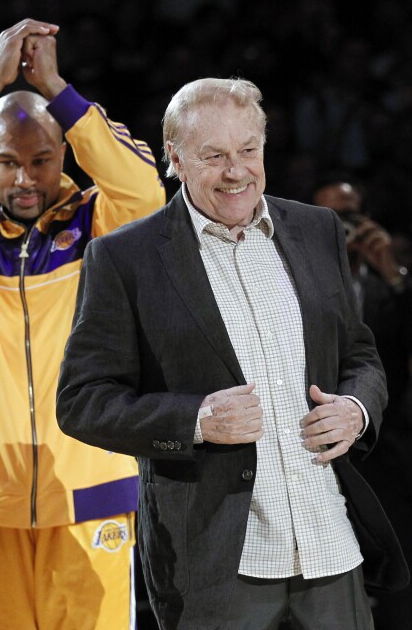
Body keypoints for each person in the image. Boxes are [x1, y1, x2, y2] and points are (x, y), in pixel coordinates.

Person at [56, 77, 409, 629]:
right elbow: (82, 401)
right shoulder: (126, 258)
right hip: (214, 562)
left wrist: (356, 411)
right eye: (214, 155)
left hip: (330, 544)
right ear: (175, 157)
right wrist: (195, 420)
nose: (236, 170)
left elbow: (359, 354)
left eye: (248, 150)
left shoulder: (318, 231)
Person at [0, 18, 165, 629]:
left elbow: (145, 188)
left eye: (42, 160)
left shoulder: (100, 226)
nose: (24, 179)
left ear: (65, 152)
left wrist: (59, 92)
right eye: (8, 161)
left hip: (90, 487)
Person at [312, 178, 412, 628]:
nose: (346, 230)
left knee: (398, 560)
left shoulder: (390, 279)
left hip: (389, 446)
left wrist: (393, 275)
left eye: (352, 218)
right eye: (334, 218)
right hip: (318, 448)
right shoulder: (299, 275)